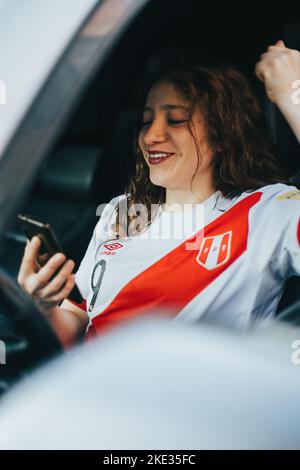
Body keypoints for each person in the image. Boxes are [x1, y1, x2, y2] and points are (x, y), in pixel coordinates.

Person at [17, 41, 300, 348]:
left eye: (175, 119)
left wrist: (292, 93)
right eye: (147, 120)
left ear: (223, 132)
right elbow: (80, 319)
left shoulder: (265, 211)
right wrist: (43, 309)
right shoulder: (122, 211)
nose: (151, 136)